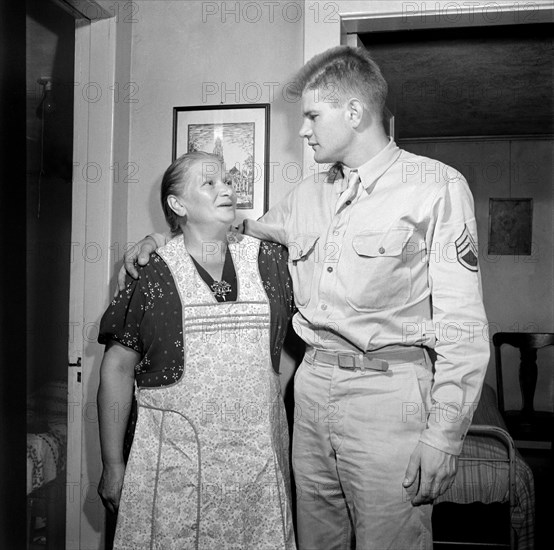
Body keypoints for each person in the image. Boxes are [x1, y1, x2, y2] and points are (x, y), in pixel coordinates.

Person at [121, 47, 489, 550]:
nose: (303, 131)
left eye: (313, 115)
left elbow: (464, 327)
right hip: (312, 393)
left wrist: (443, 437)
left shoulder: (436, 188)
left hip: (388, 395)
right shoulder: (308, 196)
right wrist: (157, 244)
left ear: (354, 113)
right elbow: (226, 231)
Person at [98, 151, 296, 550]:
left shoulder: (270, 260)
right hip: (174, 467)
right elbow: (117, 369)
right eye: (210, 183)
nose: (227, 188)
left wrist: (269, 393)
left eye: (227, 180)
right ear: (178, 204)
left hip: (257, 463)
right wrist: (113, 465)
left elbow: (292, 340)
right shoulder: (150, 270)